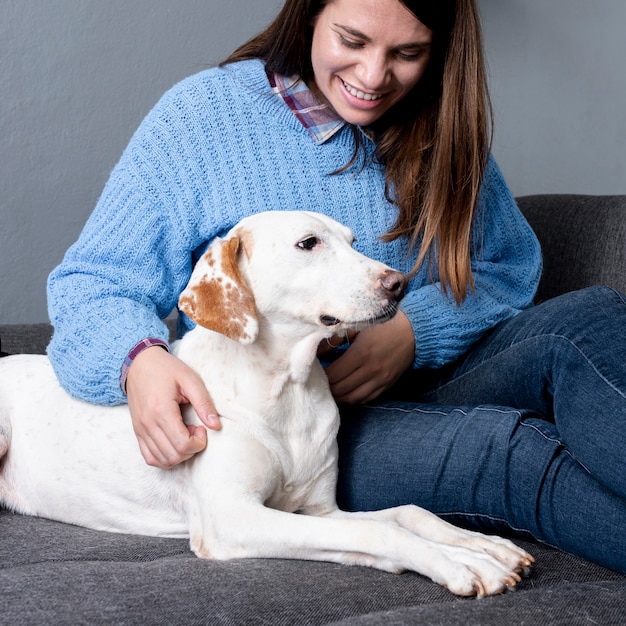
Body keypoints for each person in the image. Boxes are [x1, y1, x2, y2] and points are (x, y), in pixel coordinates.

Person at [47, 0, 626, 574]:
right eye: (352, 40)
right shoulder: (203, 118)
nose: (374, 77)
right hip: (314, 423)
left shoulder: (440, 124)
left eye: (408, 53)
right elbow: (94, 282)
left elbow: (508, 266)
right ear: (307, 17)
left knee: (589, 320)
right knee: (511, 451)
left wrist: (414, 332)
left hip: (449, 372)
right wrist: (139, 360)